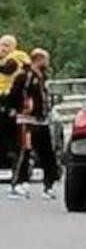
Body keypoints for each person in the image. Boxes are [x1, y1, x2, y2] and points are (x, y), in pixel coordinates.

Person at [7, 49, 57, 200]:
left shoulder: (42, 77)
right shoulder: (25, 76)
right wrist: (18, 109)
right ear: (40, 59)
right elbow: (15, 94)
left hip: (41, 120)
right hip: (26, 121)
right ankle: (18, 184)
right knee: (24, 151)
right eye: (46, 60)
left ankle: (49, 184)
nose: (47, 64)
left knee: (47, 152)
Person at [0, 35, 30, 171]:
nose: (2, 48)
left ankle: (13, 158)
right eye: (1, 45)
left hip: (12, 101)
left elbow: (8, 68)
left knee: (9, 133)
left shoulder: (17, 57)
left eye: (6, 45)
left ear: (13, 46)